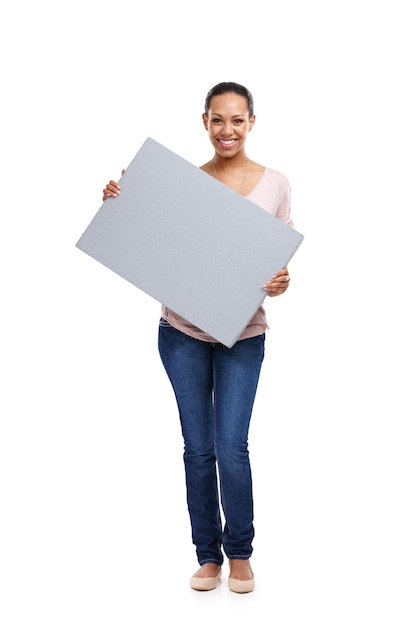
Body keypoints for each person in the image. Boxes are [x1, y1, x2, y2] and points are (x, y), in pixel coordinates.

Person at [102, 82, 293, 593]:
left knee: (231, 447)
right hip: (182, 332)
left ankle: (241, 553)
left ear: (251, 122)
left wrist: (281, 280)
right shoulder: (181, 182)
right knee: (197, 448)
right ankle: (207, 555)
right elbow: (144, 237)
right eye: (217, 120)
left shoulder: (275, 183)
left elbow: (277, 264)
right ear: (204, 122)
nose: (226, 130)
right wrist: (120, 203)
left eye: (237, 119)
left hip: (243, 335)